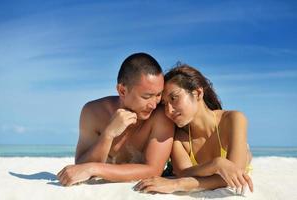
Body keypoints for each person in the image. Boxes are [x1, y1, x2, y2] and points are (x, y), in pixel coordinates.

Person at [57, 53, 174, 186]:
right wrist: (108, 134)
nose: (154, 104)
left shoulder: (160, 116)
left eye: (158, 95)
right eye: (147, 96)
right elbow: (80, 167)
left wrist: (94, 168)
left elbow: (153, 170)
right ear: (122, 91)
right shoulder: (93, 112)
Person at [135, 64, 253, 194]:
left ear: (198, 93)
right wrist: (216, 164)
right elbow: (183, 172)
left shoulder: (233, 119)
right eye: (164, 104)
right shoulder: (179, 136)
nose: (169, 110)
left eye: (174, 98)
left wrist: (177, 184)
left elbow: (234, 174)